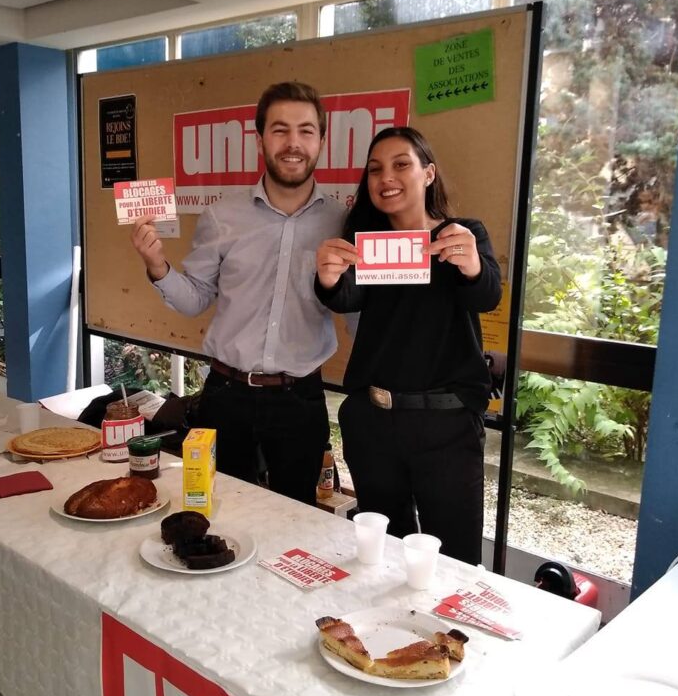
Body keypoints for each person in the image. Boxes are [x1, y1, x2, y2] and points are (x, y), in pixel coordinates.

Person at [129, 82, 345, 506]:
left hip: (300, 399)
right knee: (219, 511)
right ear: (260, 137)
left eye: (306, 131)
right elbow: (194, 300)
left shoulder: (342, 222)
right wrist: (158, 266)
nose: (293, 143)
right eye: (280, 130)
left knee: (297, 517)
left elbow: (357, 307)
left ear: (322, 139)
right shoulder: (221, 216)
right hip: (227, 396)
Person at [314, 126, 502, 564]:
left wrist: (473, 265)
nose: (386, 177)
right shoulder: (367, 242)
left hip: (448, 425)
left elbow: (487, 295)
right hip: (373, 422)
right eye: (375, 169)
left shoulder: (462, 235)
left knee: (455, 561)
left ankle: (447, 633)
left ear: (428, 173)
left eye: (402, 164)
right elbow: (348, 296)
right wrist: (326, 278)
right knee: (382, 554)